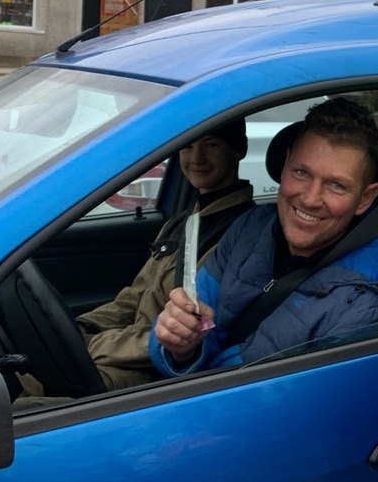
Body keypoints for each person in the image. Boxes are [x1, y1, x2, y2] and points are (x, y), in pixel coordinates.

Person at [150, 97, 378, 374]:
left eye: (336, 185)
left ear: (365, 198)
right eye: (301, 172)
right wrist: (181, 345)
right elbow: (196, 311)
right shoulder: (252, 227)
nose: (311, 199)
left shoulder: (369, 304)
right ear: (285, 163)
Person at [74, 119, 256, 390]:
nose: (197, 158)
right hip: (120, 355)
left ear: (237, 150)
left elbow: (187, 331)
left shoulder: (241, 234)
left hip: (154, 376)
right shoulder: (181, 222)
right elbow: (133, 297)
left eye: (212, 145)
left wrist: (96, 346)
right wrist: (81, 329)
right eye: (188, 146)